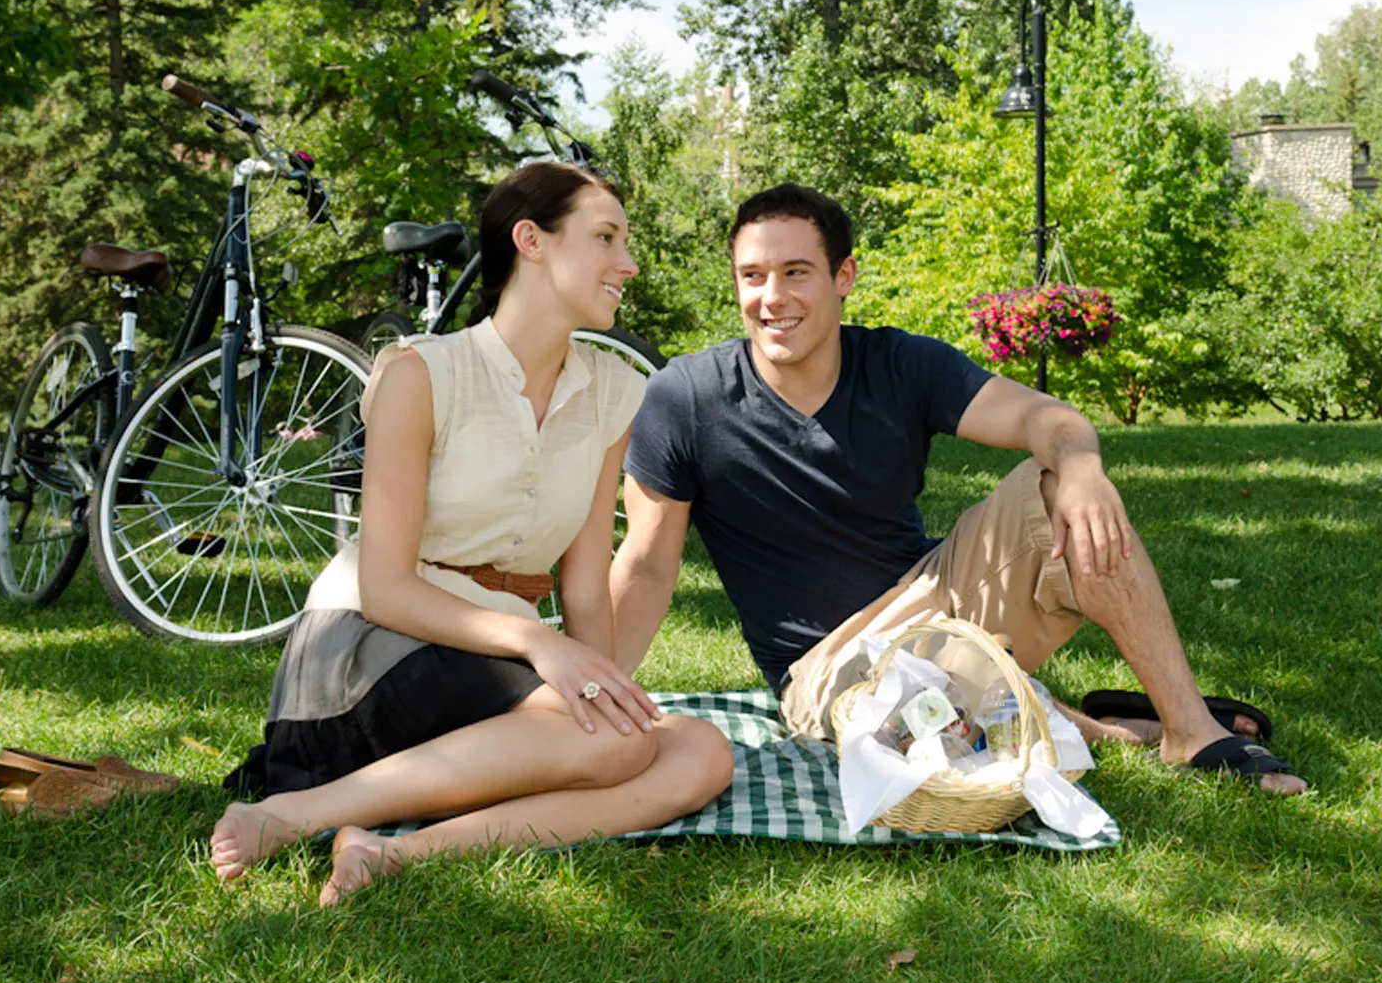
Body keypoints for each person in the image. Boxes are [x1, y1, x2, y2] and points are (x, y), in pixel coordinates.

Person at [610, 183, 1305, 796]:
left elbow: (1045, 417)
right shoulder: (687, 397)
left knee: (1054, 484)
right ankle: (1106, 727)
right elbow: (644, 563)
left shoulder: (900, 364)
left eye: (797, 272)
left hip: (930, 595)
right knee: (918, 723)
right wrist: (592, 688)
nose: (773, 297)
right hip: (824, 667)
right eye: (753, 275)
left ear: (843, 275)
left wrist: (1085, 471)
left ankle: (1187, 728)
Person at [211, 162, 737, 904]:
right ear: (533, 241)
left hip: (489, 666)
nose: (629, 263)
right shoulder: (422, 374)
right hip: (366, 648)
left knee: (700, 752)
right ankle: (293, 813)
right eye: (606, 237)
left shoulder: (614, 391)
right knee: (625, 742)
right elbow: (385, 586)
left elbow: (584, 581)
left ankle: (397, 852)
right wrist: (537, 644)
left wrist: (599, 682)